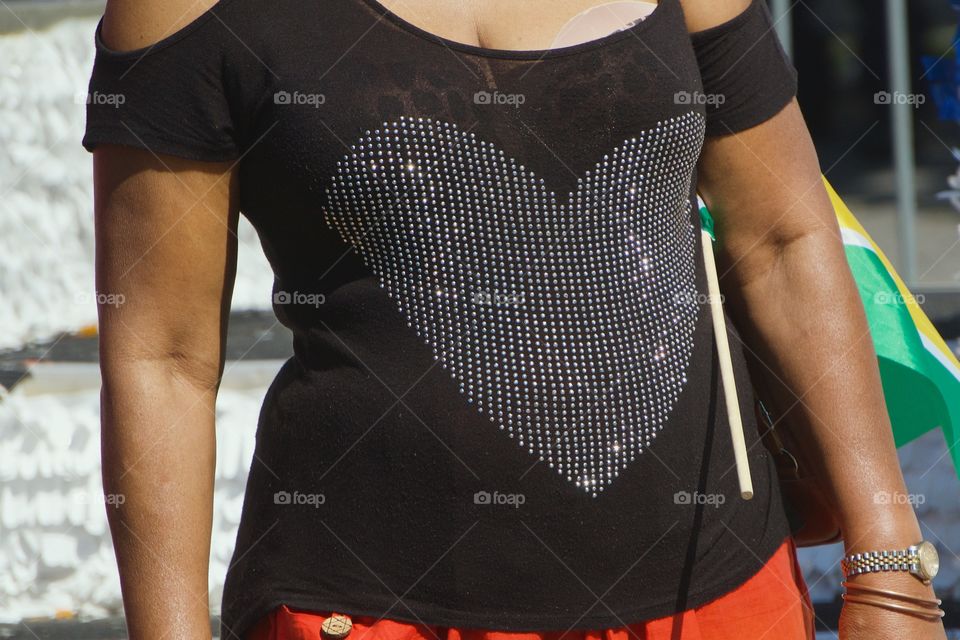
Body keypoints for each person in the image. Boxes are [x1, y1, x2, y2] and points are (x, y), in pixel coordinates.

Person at [81, 0, 949, 638]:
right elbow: (161, 355)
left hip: (717, 594)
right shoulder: (183, 8)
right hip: (365, 610)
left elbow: (784, 239)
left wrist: (886, 555)